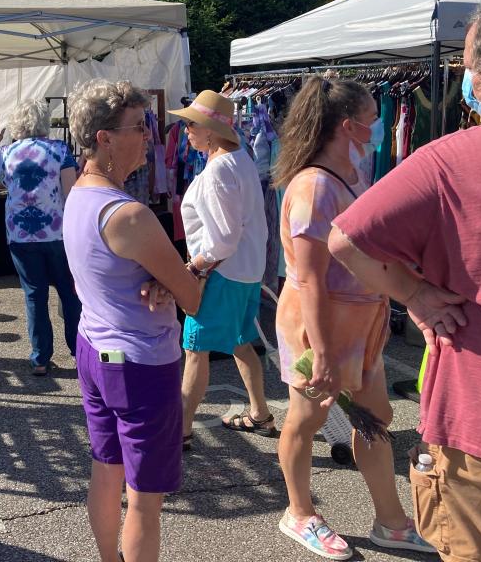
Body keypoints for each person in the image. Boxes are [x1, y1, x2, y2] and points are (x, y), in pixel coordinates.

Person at [329, 0, 481, 562]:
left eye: (469, 69)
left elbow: (346, 239)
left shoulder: (451, 160)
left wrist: (415, 294)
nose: (468, 84)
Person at [272, 76, 433, 560]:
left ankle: (391, 520)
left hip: (360, 325)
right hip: (318, 326)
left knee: (375, 420)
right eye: (371, 120)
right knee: (306, 418)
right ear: (348, 126)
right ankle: (299, 513)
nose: (378, 128)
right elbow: (312, 279)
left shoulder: (350, 175)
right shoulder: (316, 187)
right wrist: (320, 352)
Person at [64, 79, 201, 562]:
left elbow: (129, 272)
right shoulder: (129, 215)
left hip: (94, 349)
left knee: (106, 469)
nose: (149, 136)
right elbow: (195, 298)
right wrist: (183, 274)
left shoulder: (77, 193)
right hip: (140, 363)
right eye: (139, 127)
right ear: (104, 137)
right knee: (144, 500)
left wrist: (166, 278)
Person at [169, 91, 272, 449]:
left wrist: (193, 268)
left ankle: (180, 431)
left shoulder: (219, 169)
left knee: (195, 349)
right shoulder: (239, 157)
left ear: (211, 130)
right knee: (241, 342)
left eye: (191, 125)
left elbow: (223, 239)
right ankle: (260, 413)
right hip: (246, 269)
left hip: (221, 273)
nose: (186, 132)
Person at [0, 99, 81, 376]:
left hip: (20, 234)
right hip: (57, 232)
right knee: (70, 294)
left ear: (18, 123)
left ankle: (40, 358)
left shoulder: (7, 153)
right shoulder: (60, 149)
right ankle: (79, 352)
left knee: (35, 296)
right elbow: (71, 193)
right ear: (44, 120)